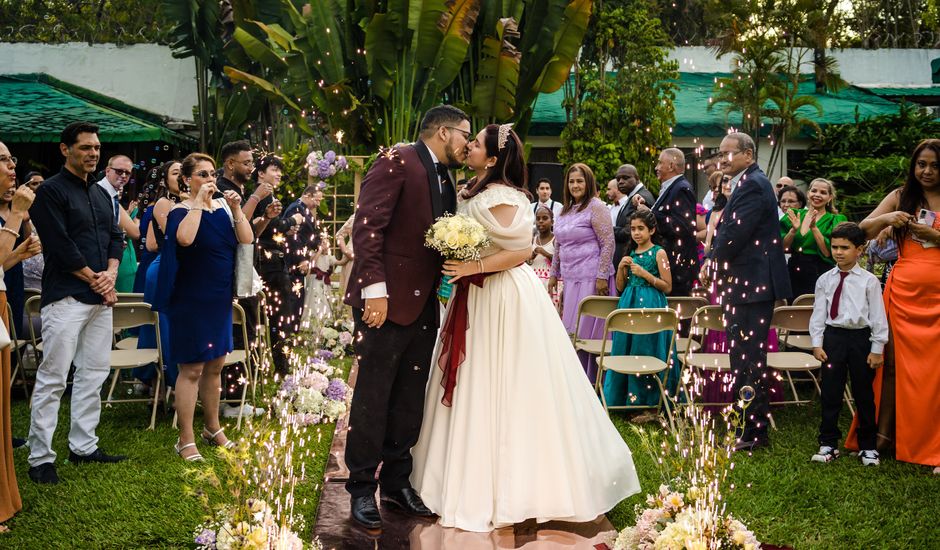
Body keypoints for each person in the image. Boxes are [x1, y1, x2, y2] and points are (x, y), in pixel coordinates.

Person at [411, 123, 639, 532]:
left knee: (507, 380)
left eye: (477, 143)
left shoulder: (504, 196)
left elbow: (518, 250)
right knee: (475, 380)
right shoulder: (475, 189)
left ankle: (518, 486)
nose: (470, 146)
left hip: (501, 296)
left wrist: (471, 265)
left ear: (494, 159)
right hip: (476, 294)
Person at [342, 105, 467, 530]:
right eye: (464, 135)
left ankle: (396, 484)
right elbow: (368, 226)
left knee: (409, 397)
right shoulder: (398, 159)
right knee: (374, 396)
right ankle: (361, 489)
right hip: (385, 303)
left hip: (424, 303)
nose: (467, 144)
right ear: (445, 132)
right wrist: (374, 290)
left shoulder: (444, 176)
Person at [27, 122, 127, 485]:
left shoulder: (102, 194)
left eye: (97, 148)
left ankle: (83, 445)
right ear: (65, 149)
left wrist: (111, 274)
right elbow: (59, 244)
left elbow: (116, 237)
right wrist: (97, 279)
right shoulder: (50, 192)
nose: (93, 153)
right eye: (85, 147)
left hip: (100, 299)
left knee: (94, 373)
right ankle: (40, 458)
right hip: (66, 298)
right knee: (53, 378)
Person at [153, 153, 253, 461]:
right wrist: (198, 201)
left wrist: (236, 208)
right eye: (202, 174)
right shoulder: (178, 210)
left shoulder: (224, 208)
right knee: (192, 368)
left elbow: (246, 239)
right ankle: (185, 439)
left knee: (215, 367)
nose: (210, 179)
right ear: (186, 180)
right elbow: (184, 239)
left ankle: (213, 428)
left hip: (220, 297)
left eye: (212, 174)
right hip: (191, 299)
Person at [702, 132, 790, 451]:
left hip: (751, 286)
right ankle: (750, 428)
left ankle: (751, 433)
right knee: (744, 359)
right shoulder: (746, 181)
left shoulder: (752, 183)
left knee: (748, 360)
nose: (722, 158)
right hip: (747, 284)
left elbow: (734, 233)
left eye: (728, 153)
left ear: (748, 154)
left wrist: (710, 261)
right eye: (720, 153)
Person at [858, 138, 940, 474]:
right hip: (903, 292)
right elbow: (862, 229)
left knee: (934, 373)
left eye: (935, 165)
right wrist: (889, 217)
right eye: (921, 164)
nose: (927, 171)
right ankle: (884, 437)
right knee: (891, 367)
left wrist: (934, 236)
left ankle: (933, 444)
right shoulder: (900, 195)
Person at [809, 222, 888, 466]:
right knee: (831, 393)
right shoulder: (825, 279)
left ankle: (868, 447)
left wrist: (877, 349)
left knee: (863, 394)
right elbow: (818, 313)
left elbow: (878, 317)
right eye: (835, 247)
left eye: (845, 247)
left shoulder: (869, 282)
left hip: (860, 340)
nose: (839, 252)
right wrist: (817, 343)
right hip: (833, 339)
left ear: (860, 250)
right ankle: (828, 443)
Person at [548, 163, 615, 382]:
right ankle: (574, 382)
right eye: (571, 181)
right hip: (570, 279)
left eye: (580, 181)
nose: (575, 185)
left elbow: (608, 243)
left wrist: (602, 276)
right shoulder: (564, 210)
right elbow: (558, 245)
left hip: (592, 280)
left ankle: (593, 381)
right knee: (570, 331)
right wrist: (553, 274)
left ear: (588, 183)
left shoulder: (596, 207)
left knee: (589, 334)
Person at [604, 209, 676, 408]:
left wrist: (645, 274)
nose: (636, 233)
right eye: (633, 229)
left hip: (651, 303)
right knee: (626, 347)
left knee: (645, 346)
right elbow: (620, 287)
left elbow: (668, 286)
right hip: (629, 303)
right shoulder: (630, 252)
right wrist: (621, 268)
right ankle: (622, 397)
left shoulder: (659, 253)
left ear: (652, 230)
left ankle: (649, 399)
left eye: (641, 229)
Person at [0, 142, 35, 527]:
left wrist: (19, 254)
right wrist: (17, 215)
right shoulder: (11, 212)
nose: (13, 166)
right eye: (5, 160)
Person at [251, 155, 304, 374]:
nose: (279, 174)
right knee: (279, 315)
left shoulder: (264, 194)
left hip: (267, 258)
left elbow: (274, 227)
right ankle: (282, 368)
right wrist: (294, 221)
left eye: (280, 170)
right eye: (274, 169)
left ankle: (278, 365)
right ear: (261, 173)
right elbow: (273, 226)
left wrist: (284, 228)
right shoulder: (262, 194)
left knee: (274, 315)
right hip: (269, 263)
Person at [134, 160, 184, 391]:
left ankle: (170, 383)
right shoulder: (164, 203)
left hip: (179, 265)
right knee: (164, 326)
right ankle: (169, 381)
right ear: (165, 180)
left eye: (185, 172)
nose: (181, 176)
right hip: (167, 267)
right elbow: (178, 238)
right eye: (176, 173)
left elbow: (152, 244)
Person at [635, 148, 698, 296]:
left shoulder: (682, 189)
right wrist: (648, 209)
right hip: (669, 266)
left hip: (678, 267)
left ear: (671, 166)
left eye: (659, 163)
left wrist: (649, 214)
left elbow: (681, 226)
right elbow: (666, 215)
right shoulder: (671, 187)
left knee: (677, 316)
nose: (656, 168)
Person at [781, 178, 847, 298]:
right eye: (814, 191)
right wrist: (793, 230)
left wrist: (814, 228)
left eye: (823, 192)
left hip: (820, 271)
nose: (817, 195)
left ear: (830, 197)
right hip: (793, 271)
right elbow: (782, 247)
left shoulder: (836, 220)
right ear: (808, 193)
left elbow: (828, 253)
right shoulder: (794, 215)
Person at [96, 155, 141, 293]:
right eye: (119, 171)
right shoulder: (98, 192)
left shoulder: (112, 195)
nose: (123, 175)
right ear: (108, 170)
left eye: (127, 173)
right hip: (99, 267)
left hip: (112, 264)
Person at [612, 164, 655, 269]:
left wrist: (608, 229)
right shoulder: (630, 197)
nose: (620, 181)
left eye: (625, 178)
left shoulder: (642, 197)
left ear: (637, 179)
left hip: (635, 263)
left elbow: (630, 231)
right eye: (618, 179)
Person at [528, 205, 561, 308]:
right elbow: (527, 262)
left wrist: (545, 253)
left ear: (552, 221)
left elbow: (560, 260)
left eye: (545, 218)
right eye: (538, 219)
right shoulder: (533, 239)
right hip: (534, 280)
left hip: (550, 280)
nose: (541, 221)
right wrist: (531, 257)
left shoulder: (555, 239)